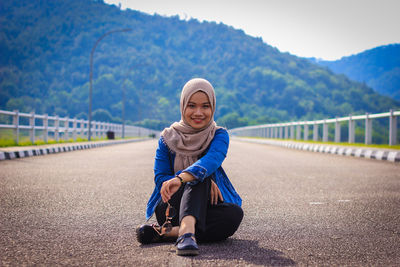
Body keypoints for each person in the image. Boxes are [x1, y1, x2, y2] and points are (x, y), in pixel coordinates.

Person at [136, 78, 243, 256]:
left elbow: (211, 161)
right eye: (192, 106)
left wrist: (182, 177)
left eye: (205, 106)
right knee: (200, 177)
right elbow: (161, 178)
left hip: (209, 206)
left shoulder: (219, 135)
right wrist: (191, 179)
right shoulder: (167, 138)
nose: (198, 112)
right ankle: (186, 232)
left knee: (233, 215)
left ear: (213, 107)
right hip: (172, 207)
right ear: (183, 106)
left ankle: (168, 232)